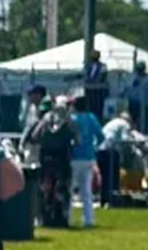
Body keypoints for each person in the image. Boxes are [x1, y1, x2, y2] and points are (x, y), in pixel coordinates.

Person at [23, 92, 75, 230]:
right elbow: (75, 137)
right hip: (62, 158)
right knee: (62, 189)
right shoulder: (66, 119)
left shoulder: (44, 120)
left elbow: (34, 136)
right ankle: (61, 217)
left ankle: (45, 217)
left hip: (46, 158)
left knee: (45, 189)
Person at [69, 92, 103, 228]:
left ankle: (69, 217)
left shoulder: (73, 119)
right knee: (86, 191)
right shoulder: (91, 118)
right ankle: (89, 219)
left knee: (70, 190)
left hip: (74, 157)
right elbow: (101, 136)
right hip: (89, 157)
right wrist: (93, 146)